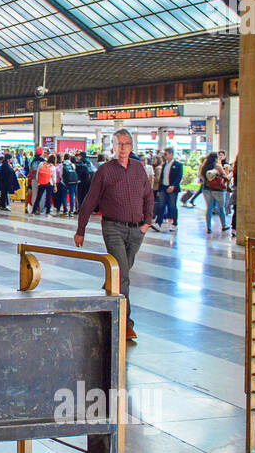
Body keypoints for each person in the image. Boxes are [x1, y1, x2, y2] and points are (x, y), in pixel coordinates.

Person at [73, 128, 151, 342]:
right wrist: (81, 229)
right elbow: (90, 200)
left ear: (132, 147)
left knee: (119, 275)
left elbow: (148, 196)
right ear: (113, 147)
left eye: (127, 144)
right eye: (119, 144)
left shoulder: (138, 169)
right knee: (123, 275)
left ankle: (107, 296)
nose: (123, 148)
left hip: (136, 230)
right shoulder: (105, 171)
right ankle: (126, 324)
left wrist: (146, 224)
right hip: (113, 228)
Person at [153, 147, 183, 233]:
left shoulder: (178, 165)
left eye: (166, 154)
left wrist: (173, 186)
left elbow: (179, 177)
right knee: (161, 205)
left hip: (172, 188)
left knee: (172, 206)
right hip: (163, 188)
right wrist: (159, 190)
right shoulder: (164, 165)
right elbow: (161, 178)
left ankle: (174, 223)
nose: (164, 156)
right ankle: (158, 223)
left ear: (171, 154)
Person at [201, 152, 231, 234]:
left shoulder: (204, 167)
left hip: (206, 189)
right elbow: (225, 176)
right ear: (215, 158)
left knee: (209, 208)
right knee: (221, 208)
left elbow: (202, 177)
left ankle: (209, 227)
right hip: (218, 190)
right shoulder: (217, 167)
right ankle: (224, 225)